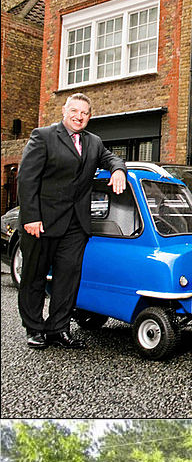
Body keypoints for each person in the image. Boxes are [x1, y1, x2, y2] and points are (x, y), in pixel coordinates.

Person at [16, 94, 127, 349]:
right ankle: (34, 328)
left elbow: (112, 158)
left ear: (90, 116)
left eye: (84, 113)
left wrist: (118, 170)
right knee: (34, 277)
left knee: (68, 279)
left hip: (75, 225)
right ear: (64, 111)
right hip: (41, 223)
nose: (79, 116)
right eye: (74, 110)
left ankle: (58, 329)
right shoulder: (42, 136)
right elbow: (27, 179)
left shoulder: (94, 142)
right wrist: (31, 217)